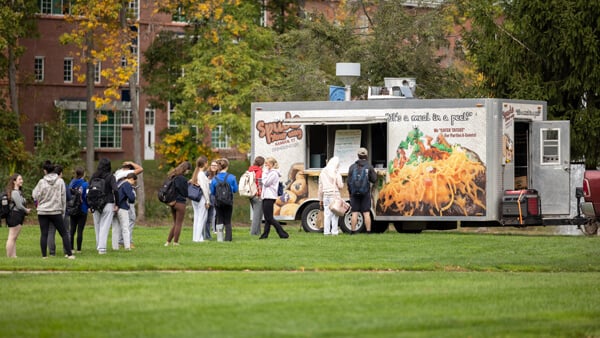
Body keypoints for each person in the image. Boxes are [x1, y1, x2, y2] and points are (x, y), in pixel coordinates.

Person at [32, 161, 75, 259]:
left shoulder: (41, 182)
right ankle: (69, 254)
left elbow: (35, 195)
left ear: (45, 171)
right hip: (55, 210)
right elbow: (63, 197)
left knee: (44, 234)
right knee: (63, 233)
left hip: (42, 211)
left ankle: (44, 255)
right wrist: (63, 211)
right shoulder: (60, 181)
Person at [90, 158, 119, 254]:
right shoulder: (110, 177)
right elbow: (115, 190)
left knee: (97, 225)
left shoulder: (94, 176)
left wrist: (90, 204)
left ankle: (99, 246)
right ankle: (102, 248)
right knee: (105, 226)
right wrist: (117, 204)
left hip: (95, 203)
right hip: (108, 202)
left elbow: (88, 190)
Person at [348, 147, 377, 234]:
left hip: (354, 193)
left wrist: (350, 192)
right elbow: (374, 179)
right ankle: (368, 231)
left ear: (358, 155)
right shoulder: (369, 167)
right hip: (365, 193)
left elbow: (349, 181)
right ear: (366, 156)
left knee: (354, 212)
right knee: (366, 212)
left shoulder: (352, 167)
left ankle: (353, 231)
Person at [114, 161, 143, 248]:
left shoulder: (118, 172)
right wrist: (131, 162)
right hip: (125, 201)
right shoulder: (126, 173)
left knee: (119, 223)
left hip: (118, 201)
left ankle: (120, 241)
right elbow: (140, 169)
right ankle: (127, 241)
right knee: (130, 219)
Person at [259, 157, 289, 239]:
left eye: (267, 163)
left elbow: (266, 183)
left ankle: (283, 233)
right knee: (267, 218)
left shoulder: (273, 173)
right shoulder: (270, 173)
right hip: (267, 196)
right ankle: (265, 235)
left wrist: (264, 173)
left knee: (269, 218)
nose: (265, 165)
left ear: (272, 164)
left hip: (269, 196)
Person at [209, 158, 238, 242]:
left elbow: (213, 192)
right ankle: (228, 238)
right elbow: (235, 190)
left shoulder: (215, 179)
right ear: (227, 167)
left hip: (218, 202)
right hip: (229, 201)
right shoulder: (232, 177)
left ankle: (220, 238)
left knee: (220, 219)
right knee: (228, 220)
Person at [164, 161, 192, 246]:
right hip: (180, 203)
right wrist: (188, 184)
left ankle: (168, 242)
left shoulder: (172, 176)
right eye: (188, 170)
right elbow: (185, 193)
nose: (188, 172)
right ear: (185, 169)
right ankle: (175, 242)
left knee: (175, 223)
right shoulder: (182, 179)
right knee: (179, 223)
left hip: (172, 202)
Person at [5, 174, 30, 258]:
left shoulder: (17, 192)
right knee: (12, 237)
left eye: (21, 179)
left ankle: (13, 256)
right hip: (14, 216)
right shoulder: (15, 192)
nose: (22, 181)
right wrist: (26, 210)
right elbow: (19, 206)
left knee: (14, 237)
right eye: (20, 179)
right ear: (14, 181)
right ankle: (9, 256)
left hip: (16, 215)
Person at [318, 156, 344, 236]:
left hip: (326, 196)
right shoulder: (336, 172)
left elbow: (320, 188)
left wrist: (320, 199)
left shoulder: (322, 173)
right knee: (335, 215)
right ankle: (334, 232)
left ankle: (326, 232)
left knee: (327, 214)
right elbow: (340, 186)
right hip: (334, 196)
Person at [112, 173, 137, 250]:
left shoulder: (118, 183)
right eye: (134, 182)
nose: (133, 183)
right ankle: (127, 247)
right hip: (122, 207)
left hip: (114, 207)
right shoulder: (127, 184)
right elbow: (131, 198)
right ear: (132, 179)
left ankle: (115, 247)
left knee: (115, 228)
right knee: (125, 228)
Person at [68, 167, 89, 253]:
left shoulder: (71, 183)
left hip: (73, 208)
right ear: (83, 174)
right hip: (82, 208)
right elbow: (86, 197)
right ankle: (79, 249)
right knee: (80, 230)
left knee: (72, 229)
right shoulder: (85, 184)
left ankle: (71, 248)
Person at [190, 156, 211, 242]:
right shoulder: (201, 174)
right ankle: (198, 238)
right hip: (201, 198)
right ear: (205, 163)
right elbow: (204, 189)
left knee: (197, 217)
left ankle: (196, 237)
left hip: (195, 199)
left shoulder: (196, 173)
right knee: (201, 218)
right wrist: (207, 200)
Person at [247, 156, 265, 236]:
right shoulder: (259, 171)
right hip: (257, 194)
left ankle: (258, 232)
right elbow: (259, 183)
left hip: (250, 194)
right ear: (262, 164)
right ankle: (253, 233)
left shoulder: (250, 170)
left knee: (258, 214)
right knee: (257, 216)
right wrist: (260, 194)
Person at [204, 160, 218, 239]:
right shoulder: (206, 174)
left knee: (210, 218)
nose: (213, 167)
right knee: (204, 217)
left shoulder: (218, 175)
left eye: (215, 166)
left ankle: (208, 235)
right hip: (206, 198)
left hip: (214, 199)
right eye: (212, 165)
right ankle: (203, 234)